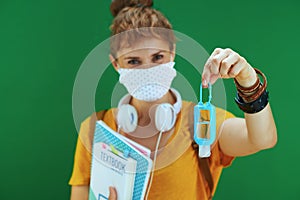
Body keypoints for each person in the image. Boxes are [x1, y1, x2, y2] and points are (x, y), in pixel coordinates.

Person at [69, 0, 277, 199]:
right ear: (116, 64)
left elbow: (262, 139)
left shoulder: (200, 122)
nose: (148, 69)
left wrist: (249, 81)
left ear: (172, 53)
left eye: (158, 57)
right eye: (133, 61)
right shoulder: (95, 129)